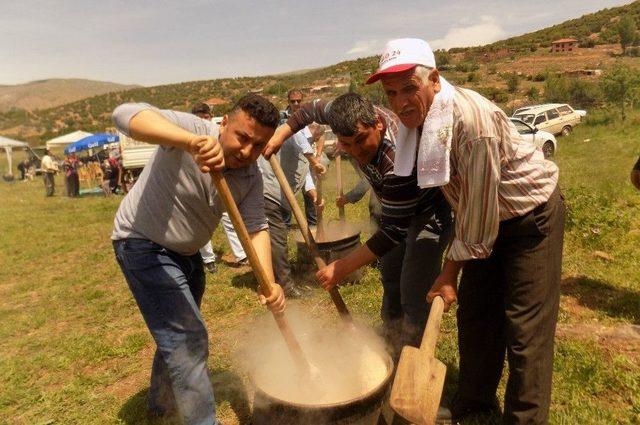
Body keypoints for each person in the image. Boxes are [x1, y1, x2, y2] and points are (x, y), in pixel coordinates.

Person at [367, 38, 565, 424]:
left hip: (529, 217)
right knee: (476, 315)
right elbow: (468, 213)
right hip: (482, 219)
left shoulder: (471, 122)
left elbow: (478, 214)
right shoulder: (416, 124)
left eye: (410, 88)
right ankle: (474, 402)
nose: (401, 101)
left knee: (525, 331)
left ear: (435, 80)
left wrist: (447, 273)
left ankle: (524, 418)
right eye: (391, 93)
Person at [111, 94, 286, 425]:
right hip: (142, 243)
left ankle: (161, 404)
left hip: (188, 255)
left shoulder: (250, 176)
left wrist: (269, 281)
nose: (247, 151)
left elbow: (256, 228)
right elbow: (124, 115)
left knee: (176, 333)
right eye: (242, 137)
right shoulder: (192, 129)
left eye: (258, 144)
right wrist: (191, 143)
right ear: (223, 124)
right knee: (188, 338)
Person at [265, 92, 452, 361]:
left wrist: (341, 267)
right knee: (390, 274)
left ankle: (411, 356)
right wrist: (281, 135)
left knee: (413, 290)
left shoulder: (397, 159)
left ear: (378, 123)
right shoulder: (344, 113)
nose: (356, 152)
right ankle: (390, 340)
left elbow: (392, 233)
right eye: (346, 143)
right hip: (393, 214)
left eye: (361, 141)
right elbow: (308, 110)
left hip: (427, 213)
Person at [257, 127, 323, 299]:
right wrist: (315, 160)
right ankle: (285, 286)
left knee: (278, 237)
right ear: (314, 128)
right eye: (319, 134)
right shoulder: (295, 133)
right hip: (268, 192)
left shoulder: (308, 143)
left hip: (281, 196)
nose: (320, 138)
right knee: (279, 239)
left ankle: (278, 272)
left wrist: (314, 196)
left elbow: (305, 174)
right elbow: (300, 140)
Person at [285, 89, 326, 226]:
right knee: (286, 195)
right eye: (293, 101)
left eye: (299, 100)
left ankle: (313, 225)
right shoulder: (285, 120)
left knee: (309, 193)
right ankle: (284, 223)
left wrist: (317, 158)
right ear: (288, 101)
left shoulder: (309, 117)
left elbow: (321, 136)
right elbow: (301, 141)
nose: (296, 103)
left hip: (305, 160)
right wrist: (314, 162)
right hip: (288, 163)